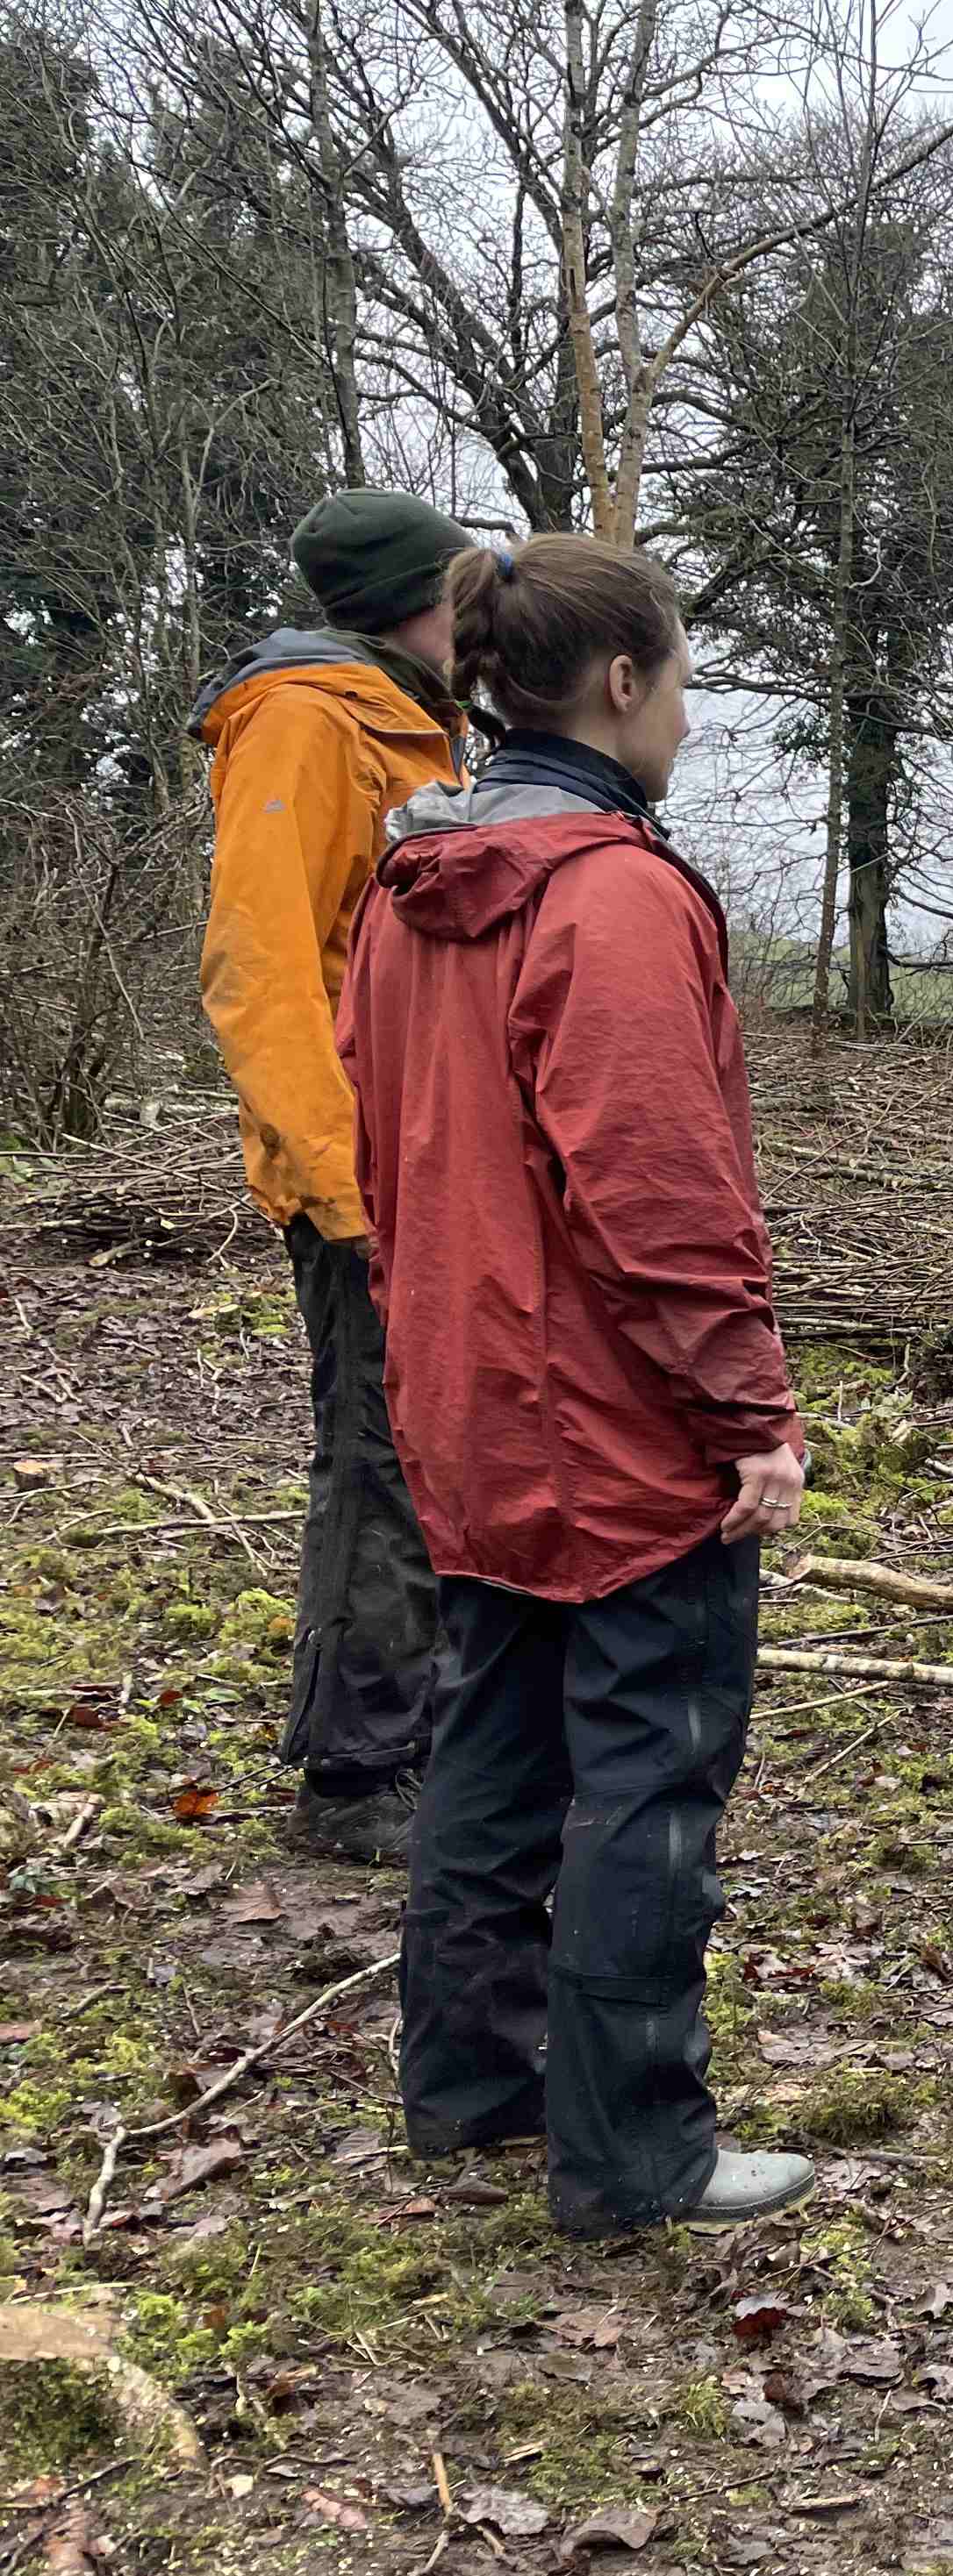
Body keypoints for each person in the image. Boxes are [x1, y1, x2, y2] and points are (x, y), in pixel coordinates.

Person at [340, 533, 814, 2239]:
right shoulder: (607, 893)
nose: (683, 715)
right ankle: (632, 2150)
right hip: (610, 1426)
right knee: (646, 1768)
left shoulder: (411, 894)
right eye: (679, 681)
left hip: (462, 1398)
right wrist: (746, 1415)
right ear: (622, 683)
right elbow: (664, 1196)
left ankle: (469, 2089)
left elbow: (385, 1151)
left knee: (494, 1744)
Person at [192, 489, 470, 1865]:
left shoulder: (408, 722)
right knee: (377, 1453)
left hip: (428, 1164)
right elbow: (260, 968)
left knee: (427, 1449)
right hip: (365, 1174)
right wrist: (339, 1182)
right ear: (419, 594)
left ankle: (420, 1733)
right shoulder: (306, 719)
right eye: (464, 583)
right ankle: (356, 1776)